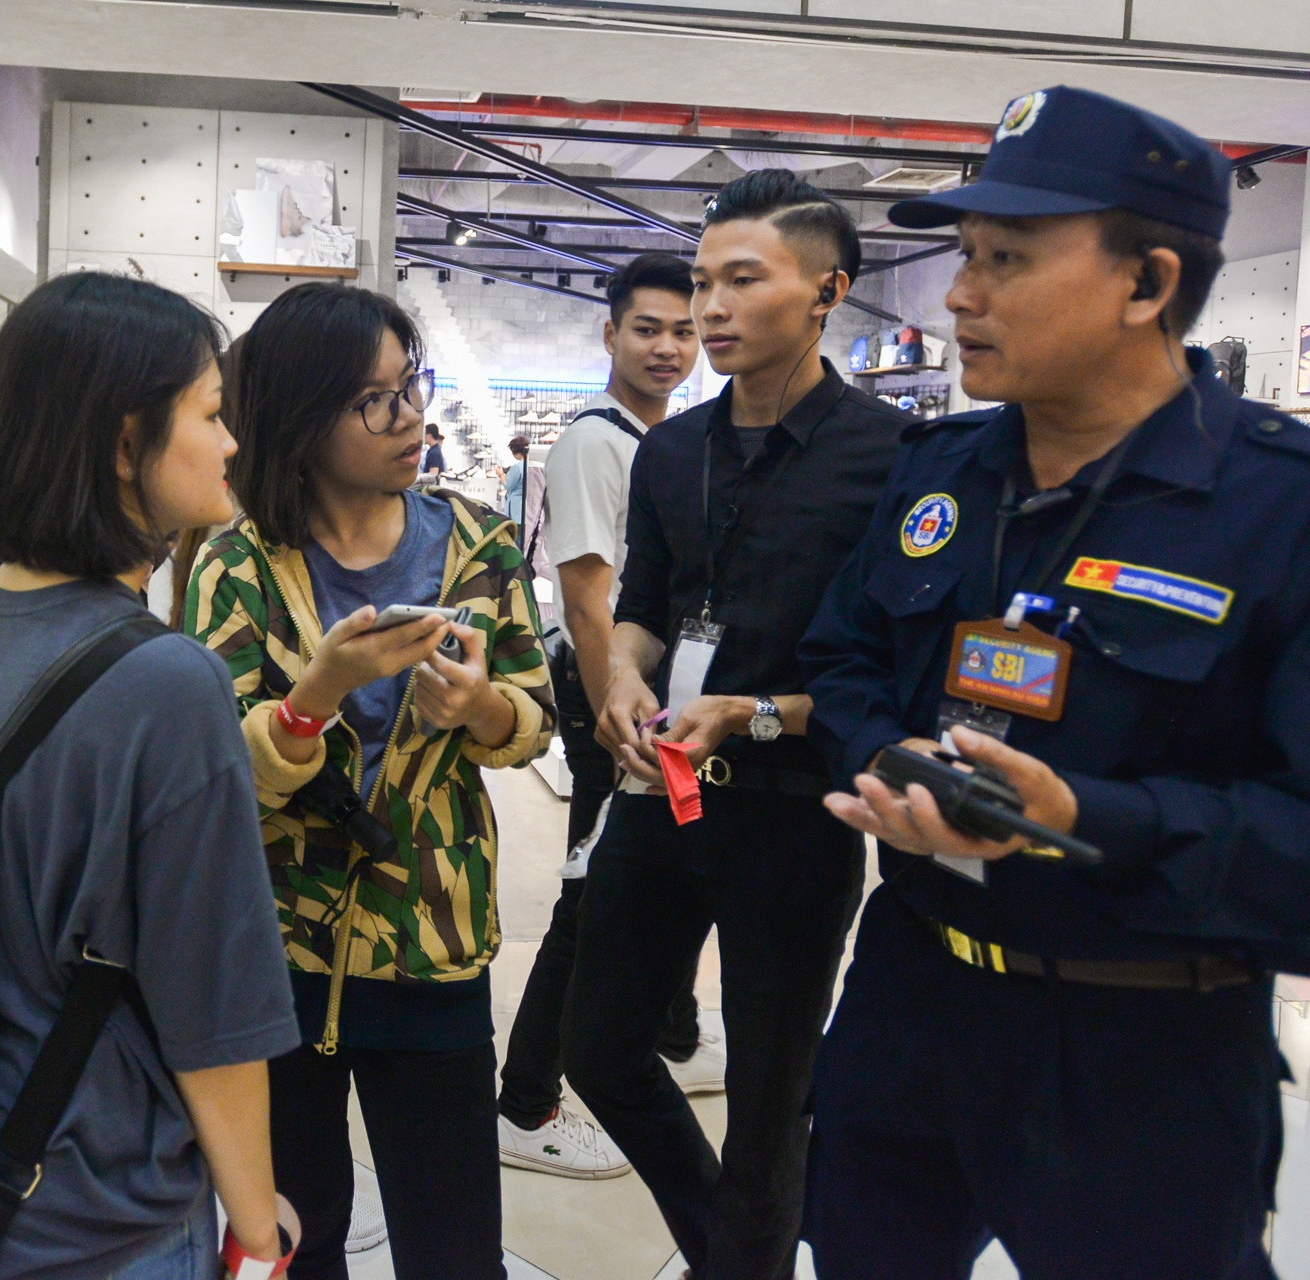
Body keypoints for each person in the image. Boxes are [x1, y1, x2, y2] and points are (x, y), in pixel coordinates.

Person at [797, 86, 1310, 1279]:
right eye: (964, 254)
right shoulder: (940, 472)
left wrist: (1081, 819)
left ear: (1148, 283)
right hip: (911, 998)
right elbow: (842, 655)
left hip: (1146, 1050)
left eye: (1005, 259)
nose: (958, 294)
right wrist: (892, 758)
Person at [559, 171, 912, 1280]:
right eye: (704, 280)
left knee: (769, 1095)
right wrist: (622, 678)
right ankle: (730, 1249)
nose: (709, 308)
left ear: (827, 293)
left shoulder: (891, 458)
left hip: (795, 814)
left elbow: (896, 673)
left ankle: (740, 1256)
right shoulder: (674, 450)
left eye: (742, 281)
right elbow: (645, 608)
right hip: (665, 795)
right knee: (597, 1045)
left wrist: (756, 715)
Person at [0, 270, 300, 1279]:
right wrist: (258, 1229)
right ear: (126, 443)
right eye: (212, 414)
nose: (231, 444)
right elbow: (213, 1009)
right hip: (111, 1199)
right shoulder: (165, 680)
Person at [186, 282, 554, 1280]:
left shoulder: (477, 542)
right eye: (373, 400)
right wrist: (315, 695)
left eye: (412, 385)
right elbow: (218, 771)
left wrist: (480, 709)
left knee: (453, 1244)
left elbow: (532, 718)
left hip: (432, 939)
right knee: (299, 1235)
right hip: (282, 946)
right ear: (301, 418)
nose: (410, 418)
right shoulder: (239, 563)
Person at [496, 252, 713, 1181]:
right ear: (610, 334)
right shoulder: (597, 441)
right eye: (647, 329)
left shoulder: (665, 438)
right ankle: (525, 1102)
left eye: (683, 331)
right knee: (590, 899)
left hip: (657, 705)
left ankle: (674, 1030)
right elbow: (589, 601)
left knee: (667, 872)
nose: (668, 348)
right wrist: (612, 725)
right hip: (615, 712)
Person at [500, 435, 530, 534]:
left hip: (516, 507)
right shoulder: (532, 465)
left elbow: (508, 485)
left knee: (516, 536)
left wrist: (501, 475)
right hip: (528, 507)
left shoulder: (517, 467)